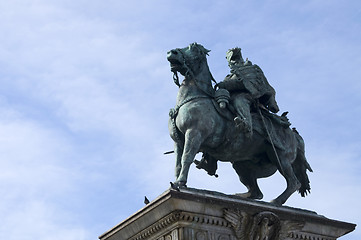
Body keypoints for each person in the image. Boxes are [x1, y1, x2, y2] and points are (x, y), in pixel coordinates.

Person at [217, 47, 279, 136]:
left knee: (240, 100)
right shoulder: (229, 77)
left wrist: (227, 85)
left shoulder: (252, 69)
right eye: (232, 60)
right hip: (230, 98)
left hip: (249, 97)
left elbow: (252, 84)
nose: (235, 61)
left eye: (236, 58)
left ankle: (246, 124)